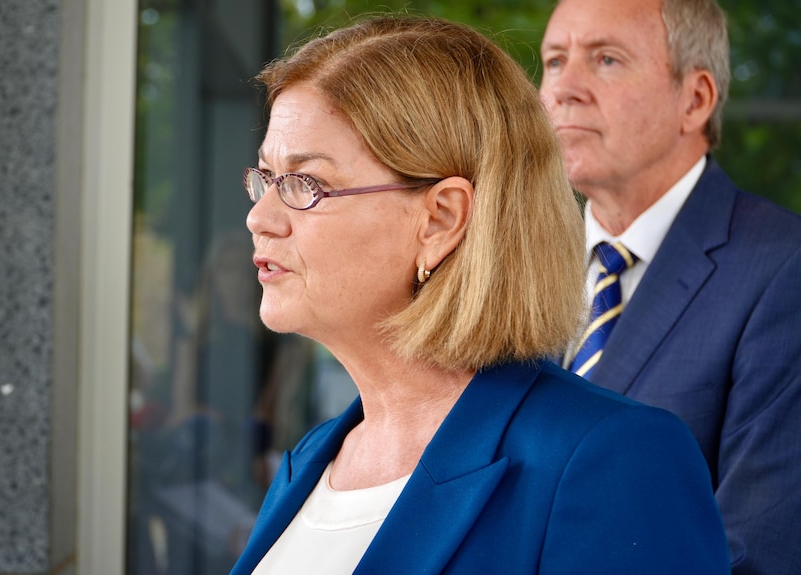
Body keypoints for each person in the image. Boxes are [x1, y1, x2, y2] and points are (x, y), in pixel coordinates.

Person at [231, 15, 729, 575]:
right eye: (266, 178)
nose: (259, 217)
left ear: (442, 219)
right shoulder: (310, 459)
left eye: (306, 184)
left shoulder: (617, 458)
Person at [539, 0, 801, 573]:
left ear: (695, 99)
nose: (564, 89)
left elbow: (757, 553)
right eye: (554, 61)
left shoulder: (785, 271)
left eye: (606, 59)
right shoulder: (521, 267)